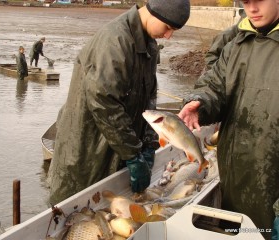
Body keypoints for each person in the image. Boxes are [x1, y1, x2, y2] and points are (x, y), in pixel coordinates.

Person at [48, 0, 190, 205]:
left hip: (116, 147)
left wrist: (149, 143)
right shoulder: (115, 40)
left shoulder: (149, 44)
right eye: (168, 28)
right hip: (86, 150)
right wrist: (133, 153)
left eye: (174, 31)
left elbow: (149, 96)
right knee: (76, 209)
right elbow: (104, 103)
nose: (169, 36)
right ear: (153, 12)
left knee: (112, 208)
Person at [178, 0, 279, 239]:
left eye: (259, 0)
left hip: (273, 186)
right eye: (246, 2)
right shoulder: (235, 45)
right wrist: (199, 103)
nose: (251, 8)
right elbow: (214, 87)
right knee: (239, 230)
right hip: (234, 178)